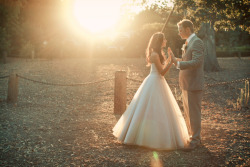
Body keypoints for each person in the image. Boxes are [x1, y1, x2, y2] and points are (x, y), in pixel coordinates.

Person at [112, 32, 190, 150]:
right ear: (159, 41)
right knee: (150, 108)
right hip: (154, 81)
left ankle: (157, 136)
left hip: (158, 81)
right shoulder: (154, 54)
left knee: (160, 109)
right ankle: (146, 137)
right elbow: (162, 72)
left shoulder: (158, 53)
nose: (166, 41)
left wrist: (170, 58)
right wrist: (171, 62)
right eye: (164, 39)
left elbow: (162, 70)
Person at [168, 19, 205, 151]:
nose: (179, 33)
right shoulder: (188, 42)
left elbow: (196, 62)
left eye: (180, 30)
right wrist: (174, 60)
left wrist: (178, 64)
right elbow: (186, 61)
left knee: (194, 113)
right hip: (186, 84)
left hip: (193, 84)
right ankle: (192, 137)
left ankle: (195, 140)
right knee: (188, 114)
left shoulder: (197, 42)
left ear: (188, 29)